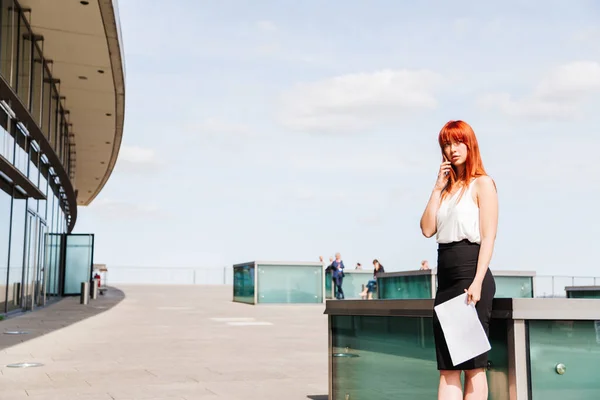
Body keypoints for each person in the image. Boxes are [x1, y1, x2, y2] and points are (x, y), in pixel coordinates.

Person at [419, 120, 498, 400]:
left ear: (469, 144)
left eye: (457, 142)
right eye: (446, 144)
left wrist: (477, 282)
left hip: (470, 277)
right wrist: (436, 188)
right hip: (447, 280)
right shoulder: (447, 190)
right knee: (448, 367)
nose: (452, 149)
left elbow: (488, 238)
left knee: (474, 366)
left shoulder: (483, 184)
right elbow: (428, 229)